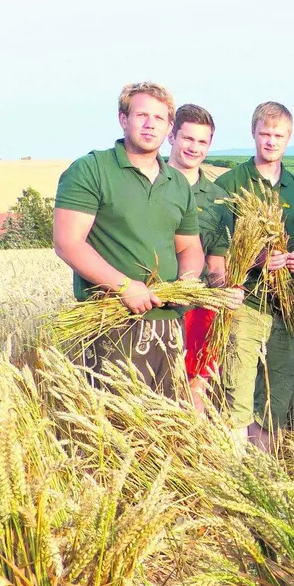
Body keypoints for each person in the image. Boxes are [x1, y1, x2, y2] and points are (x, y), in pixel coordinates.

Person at [53, 81, 205, 397]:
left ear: (169, 128)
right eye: (141, 115)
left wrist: (186, 283)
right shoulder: (91, 169)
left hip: (167, 324)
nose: (150, 124)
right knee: (112, 428)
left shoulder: (177, 183)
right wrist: (124, 286)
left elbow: (189, 246)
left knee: (167, 427)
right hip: (111, 323)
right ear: (124, 119)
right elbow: (68, 242)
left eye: (159, 118)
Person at [209, 102, 294, 452]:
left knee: (276, 394)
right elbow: (216, 251)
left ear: (289, 137)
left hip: (287, 306)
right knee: (238, 388)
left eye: (278, 135)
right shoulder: (230, 184)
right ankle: (237, 468)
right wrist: (255, 259)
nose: (271, 141)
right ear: (253, 133)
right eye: (265, 134)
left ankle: (263, 465)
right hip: (245, 302)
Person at [165, 104, 227, 413]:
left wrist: (225, 290)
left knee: (195, 386)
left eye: (202, 142)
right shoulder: (149, 183)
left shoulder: (217, 197)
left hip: (199, 309)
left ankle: (193, 453)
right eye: (187, 139)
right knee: (154, 384)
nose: (194, 148)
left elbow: (217, 260)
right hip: (151, 303)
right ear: (171, 137)